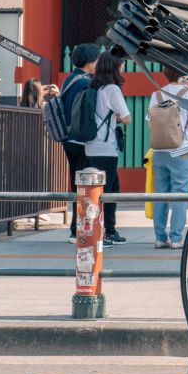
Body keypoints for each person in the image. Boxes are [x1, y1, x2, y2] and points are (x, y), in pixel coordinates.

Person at [147, 66, 188, 249]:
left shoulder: (157, 95)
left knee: (160, 194)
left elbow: (150, 122)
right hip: (182, 150)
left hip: (159, 151)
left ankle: (160, 238)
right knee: (180, 195)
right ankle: (176, 238)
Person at [85, 52, 130, 246]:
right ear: (115, 67)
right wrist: (117, 118)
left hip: (90, 146)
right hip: (106, 147)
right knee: (108, 192)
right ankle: (105, 232)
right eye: (122, 64)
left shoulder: (94, 86)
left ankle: (106, 230)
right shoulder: (112, 89)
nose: (124, 67)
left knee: (104, 189)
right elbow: (127, 117)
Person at [59, 44, 99, 243]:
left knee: (77, 186)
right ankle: (79, 230)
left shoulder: (68, 81)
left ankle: (76, 228)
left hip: (68, 139)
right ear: (91, 62)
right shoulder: (85, 83)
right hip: (82, 140)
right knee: (85, 187)